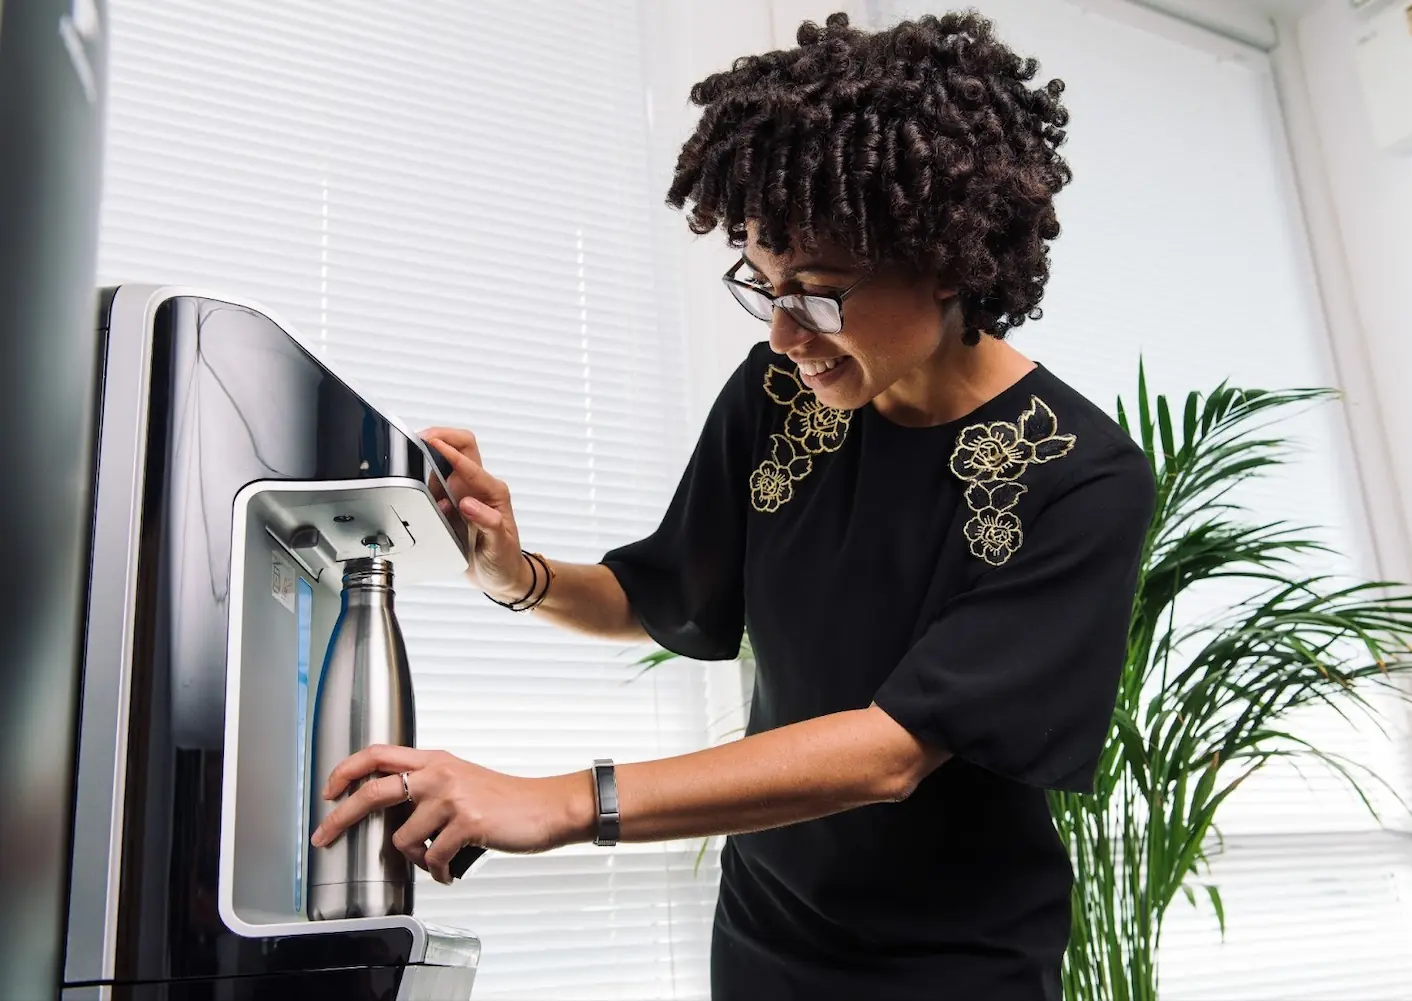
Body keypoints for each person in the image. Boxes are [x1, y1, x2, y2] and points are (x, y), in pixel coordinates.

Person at [310, 11, 1154, 1000]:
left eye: (821, 292)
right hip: (763, 938)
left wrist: (558, 802)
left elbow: (890, 748)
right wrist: (516, 573)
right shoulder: (778, 395)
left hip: (954, 966)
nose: (789, 331)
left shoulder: (1081, 473)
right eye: (764, 282)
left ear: (952, 257)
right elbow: (662, 593)